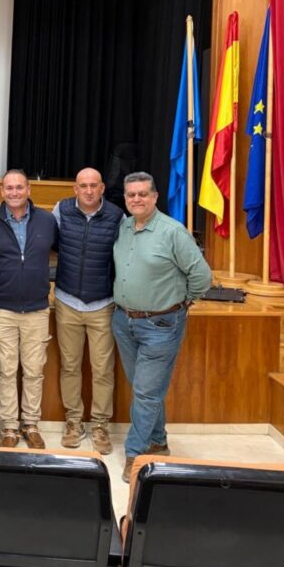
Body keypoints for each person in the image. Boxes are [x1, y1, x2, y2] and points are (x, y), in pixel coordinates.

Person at [113, 171, 212, 481]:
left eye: (143, 194)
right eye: (131, 195)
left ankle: (136, 454)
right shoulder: (124, 226)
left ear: (155, 197)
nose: (136, 199)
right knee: (146, 389)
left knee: (144, 392)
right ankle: (158, 440)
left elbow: (202, 277)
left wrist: (183, 301)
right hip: (123, 320)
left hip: (161, 325)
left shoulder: (173, 232)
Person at [52, 167, 123, 454]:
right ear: (75, 189)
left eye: (94, 185)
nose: (89, 191)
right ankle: (73, 422)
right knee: (70, 366)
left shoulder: (118, 216)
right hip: (67, 301)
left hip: (102, 304)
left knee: (102, 369)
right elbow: (50, 244)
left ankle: (100, 425)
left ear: (103, 188)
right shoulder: (61, 210)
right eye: (83, 186)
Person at [0, 168, 58, 449]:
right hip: (2, 308)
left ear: (29, 190)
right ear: (2, 192)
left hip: (37, 309)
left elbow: (61, 252)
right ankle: (9, 428)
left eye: (19, 187)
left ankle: (30, 424)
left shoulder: (47, 221)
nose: (14, 192)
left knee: (33, 370)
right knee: (5, 370)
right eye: (9, 188)